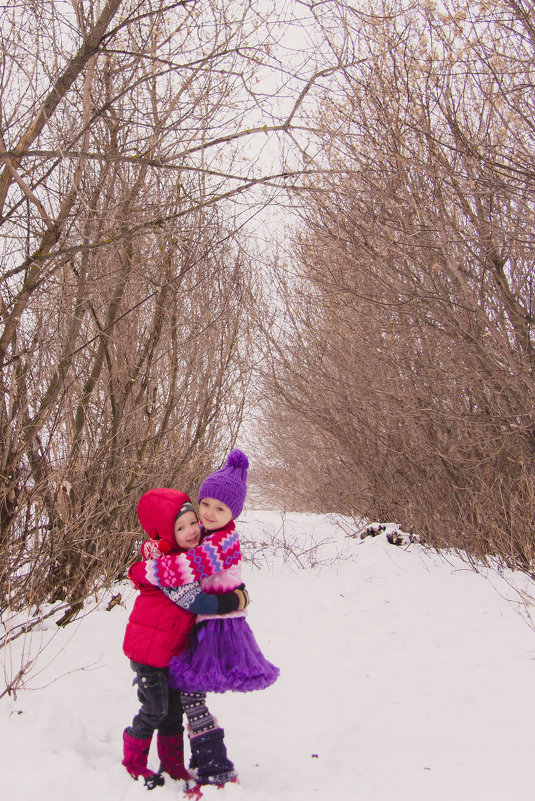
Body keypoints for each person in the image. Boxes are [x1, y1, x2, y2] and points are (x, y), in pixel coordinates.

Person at [132, 450, 279, 788]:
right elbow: (178, 547)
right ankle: (204, 757)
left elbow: (182, 568)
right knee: (190, 695)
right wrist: (153, 549)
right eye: (206, 504)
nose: (209, 514)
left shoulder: (222, 542)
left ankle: (217, 769)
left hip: (219, 627)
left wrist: (144, 570)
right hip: (209, 622)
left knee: (192, 696)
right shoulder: (209, 534)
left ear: (233, 513)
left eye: (220, 508)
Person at [122, 488, 249, 789]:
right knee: (155, 709)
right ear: (167, 532)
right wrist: (235, 601)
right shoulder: (171, 570)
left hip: (172, 650)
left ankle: (173, 763)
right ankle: (134, 760)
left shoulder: (189, 557)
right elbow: (198, 602)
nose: (192, 531)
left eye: (193, 522)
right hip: (149, 652)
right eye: (180, 528)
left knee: (174, 713)